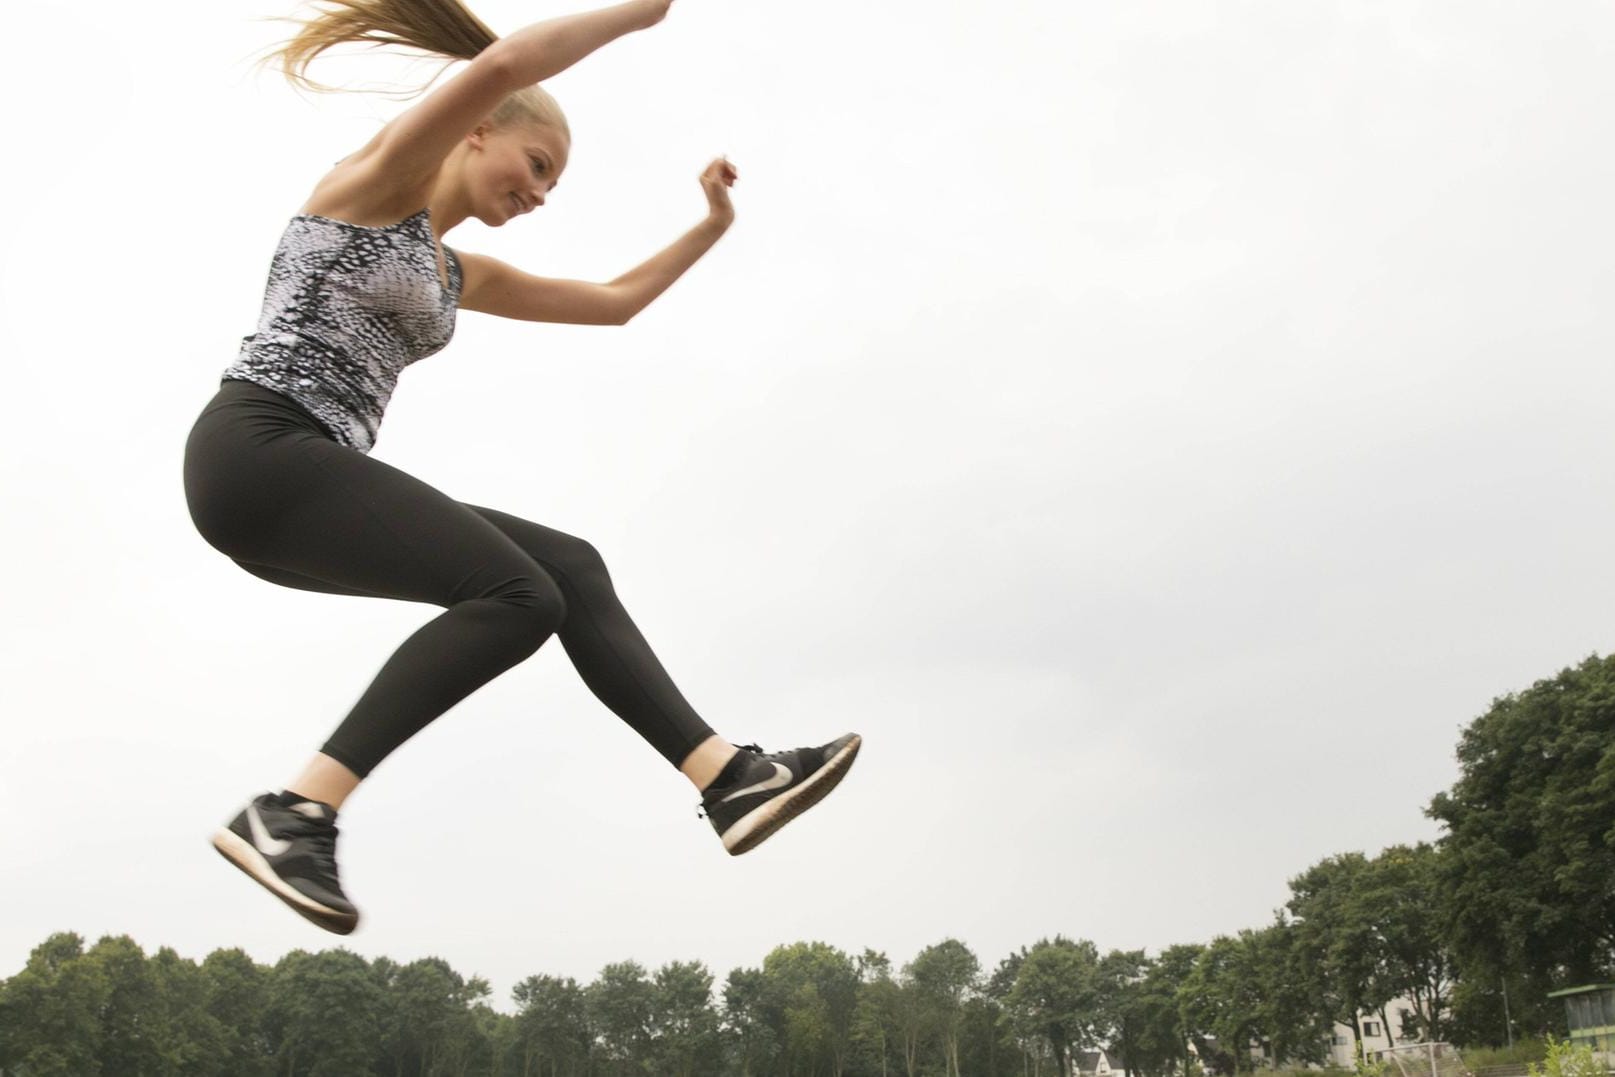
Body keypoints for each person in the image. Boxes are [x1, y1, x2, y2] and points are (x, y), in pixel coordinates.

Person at [183, 0, 860, 935]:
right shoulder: (372, 185)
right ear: (474, 131)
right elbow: (509, 64)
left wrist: (712, 223)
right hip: (261, 449)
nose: (541, 193)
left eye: (553, 183)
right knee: (516, 594)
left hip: (299, 480)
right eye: (537, 166)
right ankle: (295, 812)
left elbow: (614, 301)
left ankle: (728, 778)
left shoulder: (451, 271)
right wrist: (644, 13)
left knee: (567, 568)